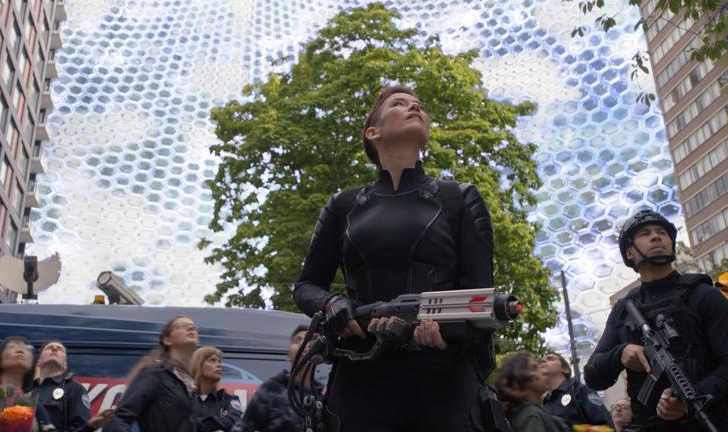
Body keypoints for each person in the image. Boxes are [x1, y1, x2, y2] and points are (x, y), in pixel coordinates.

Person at [293, 85, 497, 432]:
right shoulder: (343, 205)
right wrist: (330, 303)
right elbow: (305, 285)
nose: (414, 106)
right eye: (399, 104)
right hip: (360, 380)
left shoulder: (459, 199)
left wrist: (449, 333)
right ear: (372, 132)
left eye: (419, 104)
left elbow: (479, 297)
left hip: (444, 383)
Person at [583, 210, 728, 432]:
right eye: (645, 234)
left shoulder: (704, 296)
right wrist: (620, 354)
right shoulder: (623, 310)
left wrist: (690, 400)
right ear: (629, 253)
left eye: (662, 232)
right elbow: (593, 376)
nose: (656, 237)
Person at [103, 314, 199, 432]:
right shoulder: (155, 373)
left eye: (193, 326)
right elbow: (119, 420)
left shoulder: (191, 381)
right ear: (167, 340)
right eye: (182, 325)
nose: (191, 328)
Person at [232, 325, 320, 432]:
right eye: (298, 340)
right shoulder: (272, 389)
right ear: (288, 355)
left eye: (310, 340)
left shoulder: (322, 395)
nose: (304, 344)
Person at [34, 340, 112, 431]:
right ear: (38, 362)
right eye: (49, 348)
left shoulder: (74, 388)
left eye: (60, 349)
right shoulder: (26, 389)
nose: (54, 349)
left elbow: (80, 428)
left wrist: (89, 427)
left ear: (65, 365)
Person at [493, 351, 569, 432]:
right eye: (535, 367)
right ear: (520, 382)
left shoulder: (529, 414)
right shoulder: (532, 418)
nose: (542, 370)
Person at [541, 352, 613, 427]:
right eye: (541, 361)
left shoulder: (580, 390)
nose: (543, 360)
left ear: (565, 369)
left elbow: (606, 425)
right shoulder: (545, 405)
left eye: (550, 359)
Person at [190, 346, 242, 432]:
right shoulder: (185, 397)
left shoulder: (228, 400)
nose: (219, 365)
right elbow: (178, 424)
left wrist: (196, 422)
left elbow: (234, 423)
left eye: (219, 361)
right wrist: (221, 421)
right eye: (212, 360)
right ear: (198, 365)